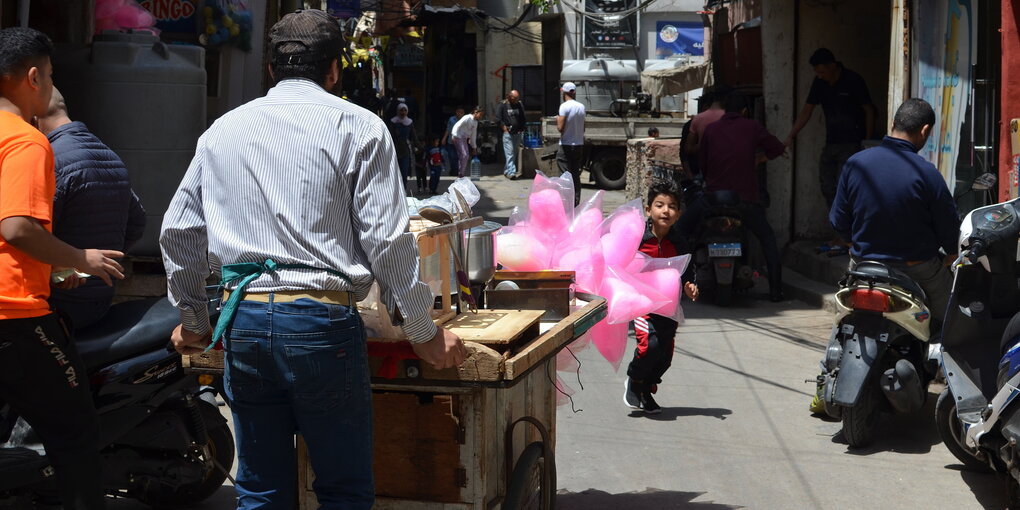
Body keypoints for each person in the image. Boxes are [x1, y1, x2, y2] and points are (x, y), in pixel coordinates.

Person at [159, 10, 467, 509]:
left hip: (247, 322)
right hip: (321, 324)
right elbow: (387, 241)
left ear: (270, 71)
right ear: (334, 71)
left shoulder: (224, 130)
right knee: (343, 491)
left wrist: (194, 320)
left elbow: (180, 230)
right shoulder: (360, 127)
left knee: (261, 489)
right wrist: (422, 331)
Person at [0, 26, 125, 510]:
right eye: (50, 75)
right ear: (33, 77)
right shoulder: (28, 143)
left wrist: (51, 270)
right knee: (75, 434)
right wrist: (81, 258)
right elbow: (15, 228)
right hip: (16, 321)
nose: (50, 85)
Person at [810, 98, 958, 416]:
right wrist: (952, 254)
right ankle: (960, 394)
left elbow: (838, 221)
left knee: (843, 323)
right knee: (953, 318)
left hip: (863, 268)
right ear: (925, 130)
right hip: (918, 270)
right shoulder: (927, 173)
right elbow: (949, 230)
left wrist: (854, 243)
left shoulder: (856, 163)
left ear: (893, 123)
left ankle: (823, 387)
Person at [37, 87, 146, 330]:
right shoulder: (109, 155)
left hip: (57, 300)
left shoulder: (50, 159)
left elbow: (33, 234)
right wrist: (98, 264)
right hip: (100, 298)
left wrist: (65, 268)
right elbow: (137, 221)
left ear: (34, 119)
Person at [682, 92, 787, 301]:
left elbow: (703, 164)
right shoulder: (752, 127)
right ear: (744, 111)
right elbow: (777, 148)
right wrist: (758, 159)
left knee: (681, 231)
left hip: (712, 199)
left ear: (724, 110)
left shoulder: (711, 129)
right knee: (766, 238)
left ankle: (681, 284)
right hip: (745, 200)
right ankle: (776, 290)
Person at [623, 182, 698, 414]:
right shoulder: (638, 238)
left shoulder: (679, 242)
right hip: (642, 305)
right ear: (648, 210)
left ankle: (646, 389)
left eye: (672, 207)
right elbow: (621, 264)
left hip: (669, 306)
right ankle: (634, 381)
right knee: (650, 347)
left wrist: (690, 285)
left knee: (664, 357)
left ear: (679, 214)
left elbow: (688, 270)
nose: (666, 211)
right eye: (660, 205)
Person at [785, 48, 875, 210]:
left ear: (833, 66)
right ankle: (838, 229)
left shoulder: (853, 80)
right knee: (827, 188)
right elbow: (807, 110)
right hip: (831, 144)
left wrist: (866, 143)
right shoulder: (819, 83)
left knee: (845, 189)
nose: (819, 75)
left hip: (853, 144)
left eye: (822, 71)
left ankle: (846, 234)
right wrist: (791, 135)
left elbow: (869, 110)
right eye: (817, 72)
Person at [682, 85, 730, 177]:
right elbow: (685, 151)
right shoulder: (729, 118)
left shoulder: (697, 120)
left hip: (703, 171)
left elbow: (686, 150)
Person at [556, 82, 586, 206]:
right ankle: (575, 202)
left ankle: (564, 203)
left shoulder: (564, 107)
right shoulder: (581, 106)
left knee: (564, 175)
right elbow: (583, 127)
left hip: (566, 144)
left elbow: (560, 127)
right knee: (575, 175)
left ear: (564, 92)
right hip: (578, 144)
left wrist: (557, 119)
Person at [388, 103, 418, 193]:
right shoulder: (393, 122)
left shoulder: (409, 122)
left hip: (405, 150)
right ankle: (395, 190)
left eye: (405, 110)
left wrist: (420, 147)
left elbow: (414, 136)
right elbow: (390, 136)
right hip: (395, 150)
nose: (403, 112)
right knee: (395, 172)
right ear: (398, 111)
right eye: (401, 110)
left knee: (404, 172)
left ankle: (403, 189)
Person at [498, 89, 526, 180]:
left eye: (517, 98)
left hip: (517, 133)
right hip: (508, 134)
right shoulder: (503, 105)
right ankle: (512, 172)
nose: (516, 100)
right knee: (509, 153)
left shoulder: (519, 104)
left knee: (513, 153)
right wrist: (504, 127)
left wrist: (522, 129)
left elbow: (523, 117)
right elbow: (498, 118)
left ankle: (506, 170)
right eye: (514, 98)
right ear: (509, 97)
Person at [451, 106, 483, 178]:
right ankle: (461, 173)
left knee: (466, 155)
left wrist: (474, 147)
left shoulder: (475, 123)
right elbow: (457, 125)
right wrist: (453, 135)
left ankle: (461, 172)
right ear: (475, 112)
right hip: (458, 137)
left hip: (464, 139)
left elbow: (473, 135)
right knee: (464, 154)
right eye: (480, 114)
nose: (481, 116)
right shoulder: (467, 117)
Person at [441, 107, 464, 176]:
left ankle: (455, 171)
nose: (460, 114)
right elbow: (448, 129)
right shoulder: (452, 119)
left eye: (462, 113)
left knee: (458, 157)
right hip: (451, 141)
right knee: (451, 157)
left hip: (460, 142)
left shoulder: (464, 120)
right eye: (459, 112)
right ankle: (454, 170)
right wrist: (444, 138)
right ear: (456, 112)